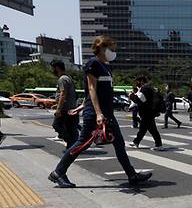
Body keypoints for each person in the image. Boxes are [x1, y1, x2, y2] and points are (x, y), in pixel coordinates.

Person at [48, 35, 152, 188]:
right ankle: (58, 172)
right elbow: (91, 88)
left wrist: (81, 107)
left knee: (119, 144)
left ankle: (132, 175)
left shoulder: (106, 66)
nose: (113, 52)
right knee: (81, 143)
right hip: (97, 114)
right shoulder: (93, 63)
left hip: (107, 113)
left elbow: (97, 92)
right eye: (112, 48)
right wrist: (97, 112)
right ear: (103, 48)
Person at [51, 60, 80, 149]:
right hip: (71, 107)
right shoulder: (68, 77)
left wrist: (59, 109)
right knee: (71, 128)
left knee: (57, 125)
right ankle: (73, 146)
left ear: (57, 68)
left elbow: (63, 93)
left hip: (65, 109)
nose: (52, 71)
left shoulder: (62, 79)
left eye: (53, 68)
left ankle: (71, 142)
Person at [129, 76, 163, 150]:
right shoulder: (149, 88)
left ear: (141, 81)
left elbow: (139, 100)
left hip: (147, 112)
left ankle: (159, 145)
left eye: (137, 81)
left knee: (151, 129)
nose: (136, 83)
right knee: (144, 129)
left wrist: (131, 95)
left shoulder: (145, 89)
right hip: (149, 112)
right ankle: (136, 142)